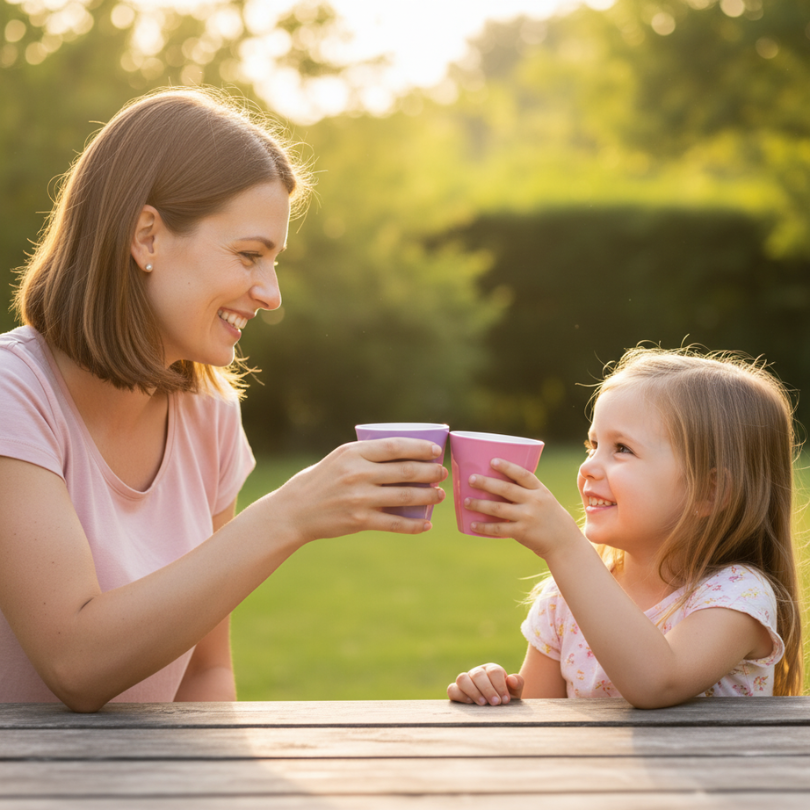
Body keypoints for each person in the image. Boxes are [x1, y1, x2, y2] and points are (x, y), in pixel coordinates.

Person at [0, 87, 447, 712]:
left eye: (273, 262)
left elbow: (204, 677)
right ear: (147, 237)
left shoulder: (209, 412)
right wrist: (290, 514)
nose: (270, 293)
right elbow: (73, 661)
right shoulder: (13, 394)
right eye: (248, 256)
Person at [448, 347, 803, 708]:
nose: (588, 467)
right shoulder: (563, 600)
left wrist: (566, 547)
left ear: (710, 492)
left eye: (622, 449)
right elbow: (540, 722)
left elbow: (658, 683)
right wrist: (495, 693)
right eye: (593, 445)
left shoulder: (738, 596)